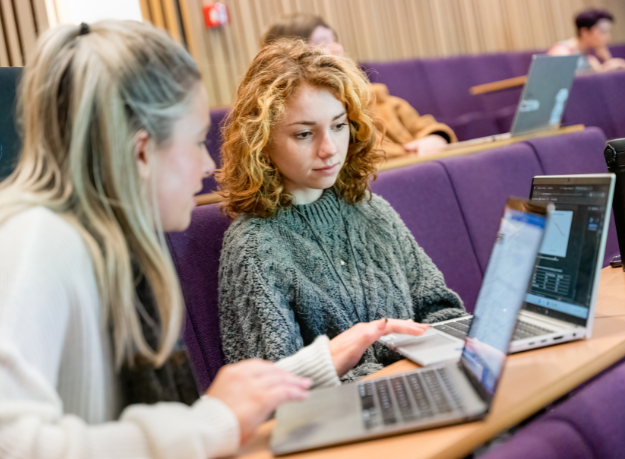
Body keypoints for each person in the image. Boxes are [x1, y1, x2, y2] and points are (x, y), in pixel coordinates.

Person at [0, 20, 428, 459]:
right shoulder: (40, 239)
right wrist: (213, 422)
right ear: (142, 151)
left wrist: (317, 364)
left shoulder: (101, 241)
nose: (207, 164)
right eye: (195, 140)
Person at [216, 39, 467, 381]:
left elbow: (442, 311)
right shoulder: (254, 247)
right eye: (304, 134)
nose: (329, 149)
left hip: (428, 385)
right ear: (260, 142)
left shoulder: (372, 211)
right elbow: (274, 392)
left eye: (338, 125)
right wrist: (392, 370)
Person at [261, 13, 457, 158]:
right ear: (290, 58)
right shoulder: (311, 115)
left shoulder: (378, 97)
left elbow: (423, 125)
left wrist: (435, 138)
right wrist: (410, 154)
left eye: (334, 41)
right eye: (322, 43)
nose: (337, 49)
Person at [548, 9, 625, 72]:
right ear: (585, 32)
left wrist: (607, 59)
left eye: (609, 32)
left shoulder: (590, 57)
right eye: (603, 32)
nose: (608, 37)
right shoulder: (562, 53)